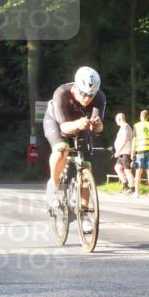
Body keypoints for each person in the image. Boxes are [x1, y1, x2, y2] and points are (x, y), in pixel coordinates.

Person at [43, 67, 106, 234]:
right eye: (84, 94)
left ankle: (85, 214)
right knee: (62, 149)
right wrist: (78, 124)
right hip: (57, 123)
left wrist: (98, 125)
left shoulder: (99, 97)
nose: (87, 99)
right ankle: (54, 185)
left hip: (81, 127)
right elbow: (64, 127)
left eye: (90, 95)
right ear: (75, 88)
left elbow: (99, 129)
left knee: (86, 168)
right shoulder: (62, 93)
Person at [132, 109, 149, 197]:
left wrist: (132, 153)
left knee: (138, 172)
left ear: (140, 117)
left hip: (139, 151)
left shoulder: (137, 126)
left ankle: (136, 193)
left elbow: (134, 140)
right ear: (148, 117)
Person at [112, 113, 136, 196]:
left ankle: (133, 189)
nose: (116, 122)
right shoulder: (123, 127)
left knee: (127, 171)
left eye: (116, 120)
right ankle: (125, 186)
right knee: (117, 168)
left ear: (119, 119)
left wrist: (118, 150)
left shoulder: (125, 126)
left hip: (125, 152)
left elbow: (125, 139)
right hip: (122, 153)